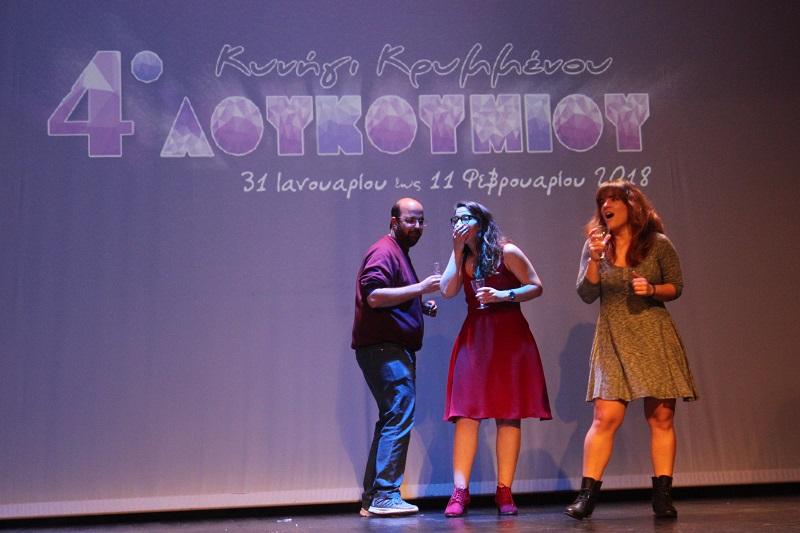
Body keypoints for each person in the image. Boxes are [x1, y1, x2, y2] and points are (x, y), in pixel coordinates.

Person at [565, 181, 698, 521]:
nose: (606, 206)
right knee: (604, 418)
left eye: (613, 199)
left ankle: (662, 497)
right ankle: (586, 497)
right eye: (602, 201)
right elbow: (586, 293)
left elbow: (676, 286)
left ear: (631, 205)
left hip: (654, 335)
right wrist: (594, 259)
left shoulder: (658, 244)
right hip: (612, 336)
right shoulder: (596, 246)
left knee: (661, 418)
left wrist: (652, 289)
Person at [439, 201, 552, 517]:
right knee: (466, 413)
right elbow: (447, 290)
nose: (458, 224)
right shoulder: (463, 256)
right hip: (476, 337)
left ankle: (504, 490)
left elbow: (536, 286)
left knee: (508, 413)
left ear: (481, 222)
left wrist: (504, 295)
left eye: (465, 218)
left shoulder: (507, 251)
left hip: (509, 337)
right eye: (454, 219)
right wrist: (456, 251)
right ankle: (460, 491)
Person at [352, 197, 441, 516]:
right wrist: (420, 289)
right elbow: (374, 296)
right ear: (394, 222)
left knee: (392, 417)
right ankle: (385, 495)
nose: (417, 226)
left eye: (421, 221)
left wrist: (418, 305)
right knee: (399, 414)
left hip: (388, 347)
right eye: (410, 220)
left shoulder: (398, 252)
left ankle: (373, 497)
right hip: (384, 349)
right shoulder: (384, 251)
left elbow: (389, 295)